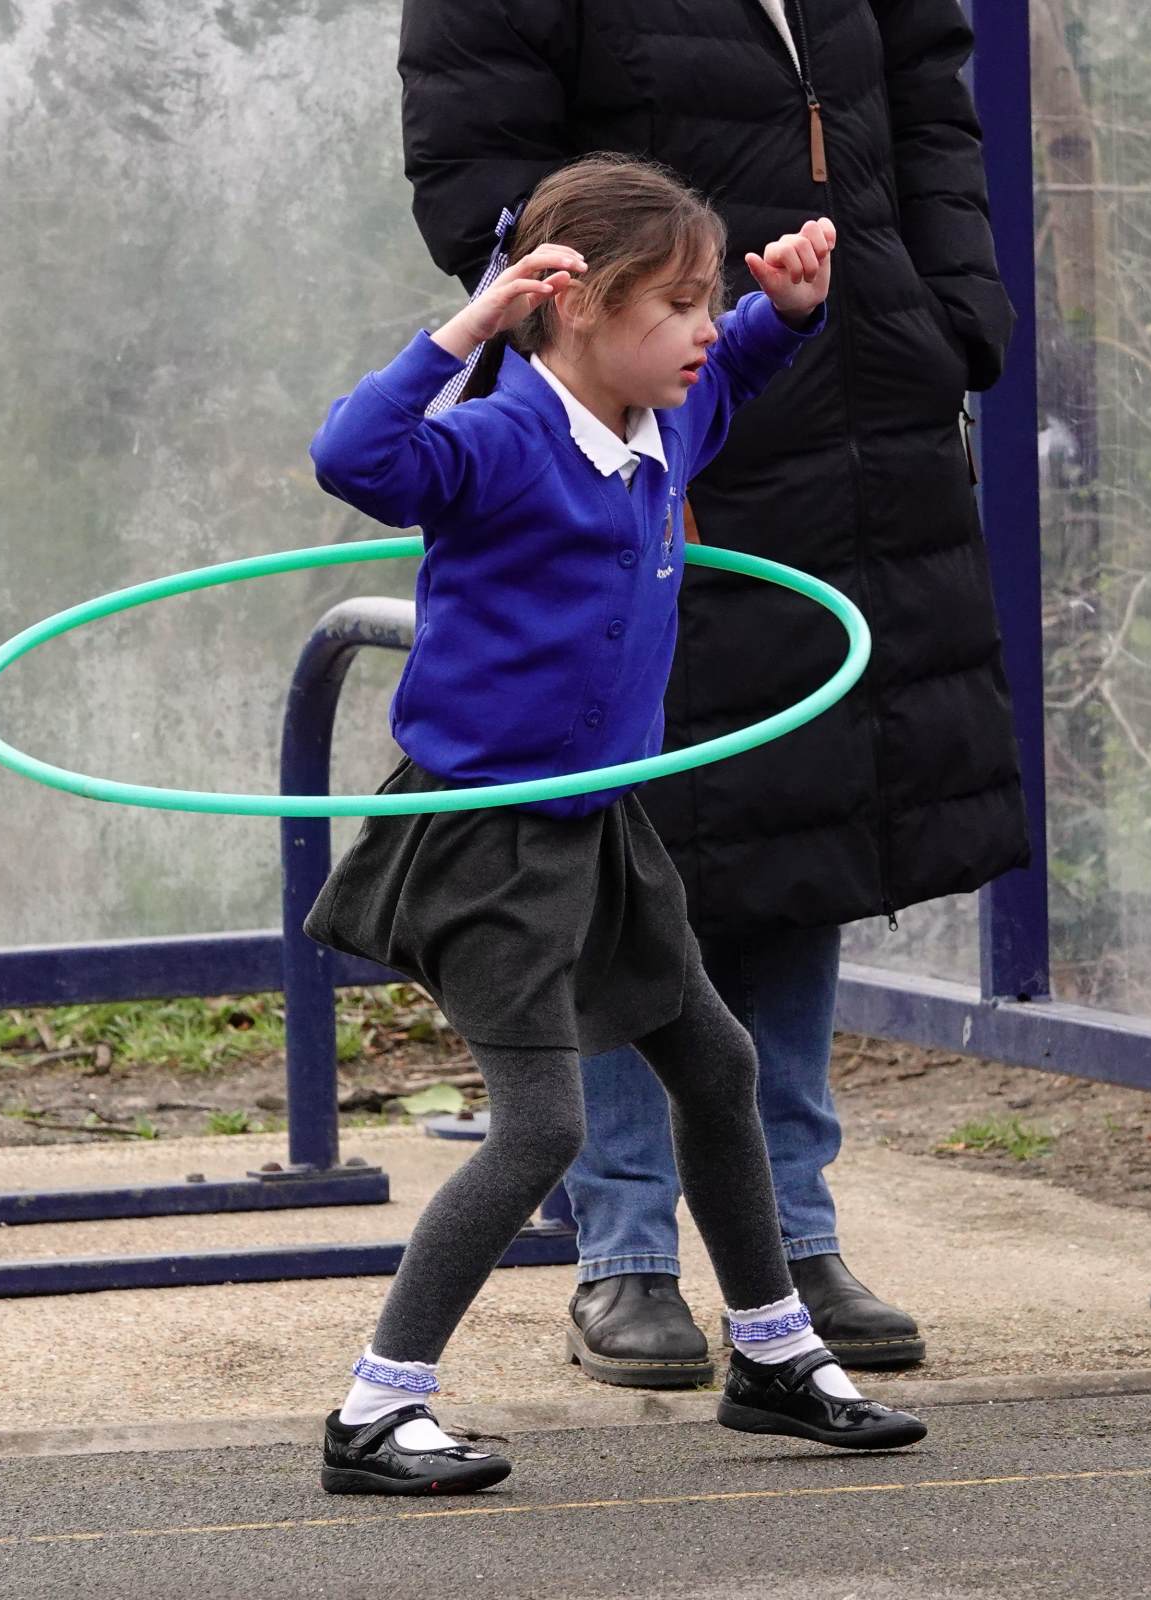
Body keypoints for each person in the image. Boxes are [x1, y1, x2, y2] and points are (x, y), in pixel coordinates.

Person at [398, 0, 1028, 1384]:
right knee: (618, 826)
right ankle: (623, 1247)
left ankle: (793, 1241)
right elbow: (479, 178)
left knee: (813, 815)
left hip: (856, 400)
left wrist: (949, 316)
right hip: (649, 427)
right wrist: (613, 377)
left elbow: (929, 102)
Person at [306, 155, 925, 1496]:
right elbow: (354, 458)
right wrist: (472, 321)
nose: (705, 329)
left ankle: (772, 1353)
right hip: (485, 840)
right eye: (680, 304)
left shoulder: (666, 427)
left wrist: (786, 308)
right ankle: (375, 1407)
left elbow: (741, 366)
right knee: (541, 1129)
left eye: (708, 302)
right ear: (578, 307)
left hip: (598, 826)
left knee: (715, 1063)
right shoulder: (497, 442)